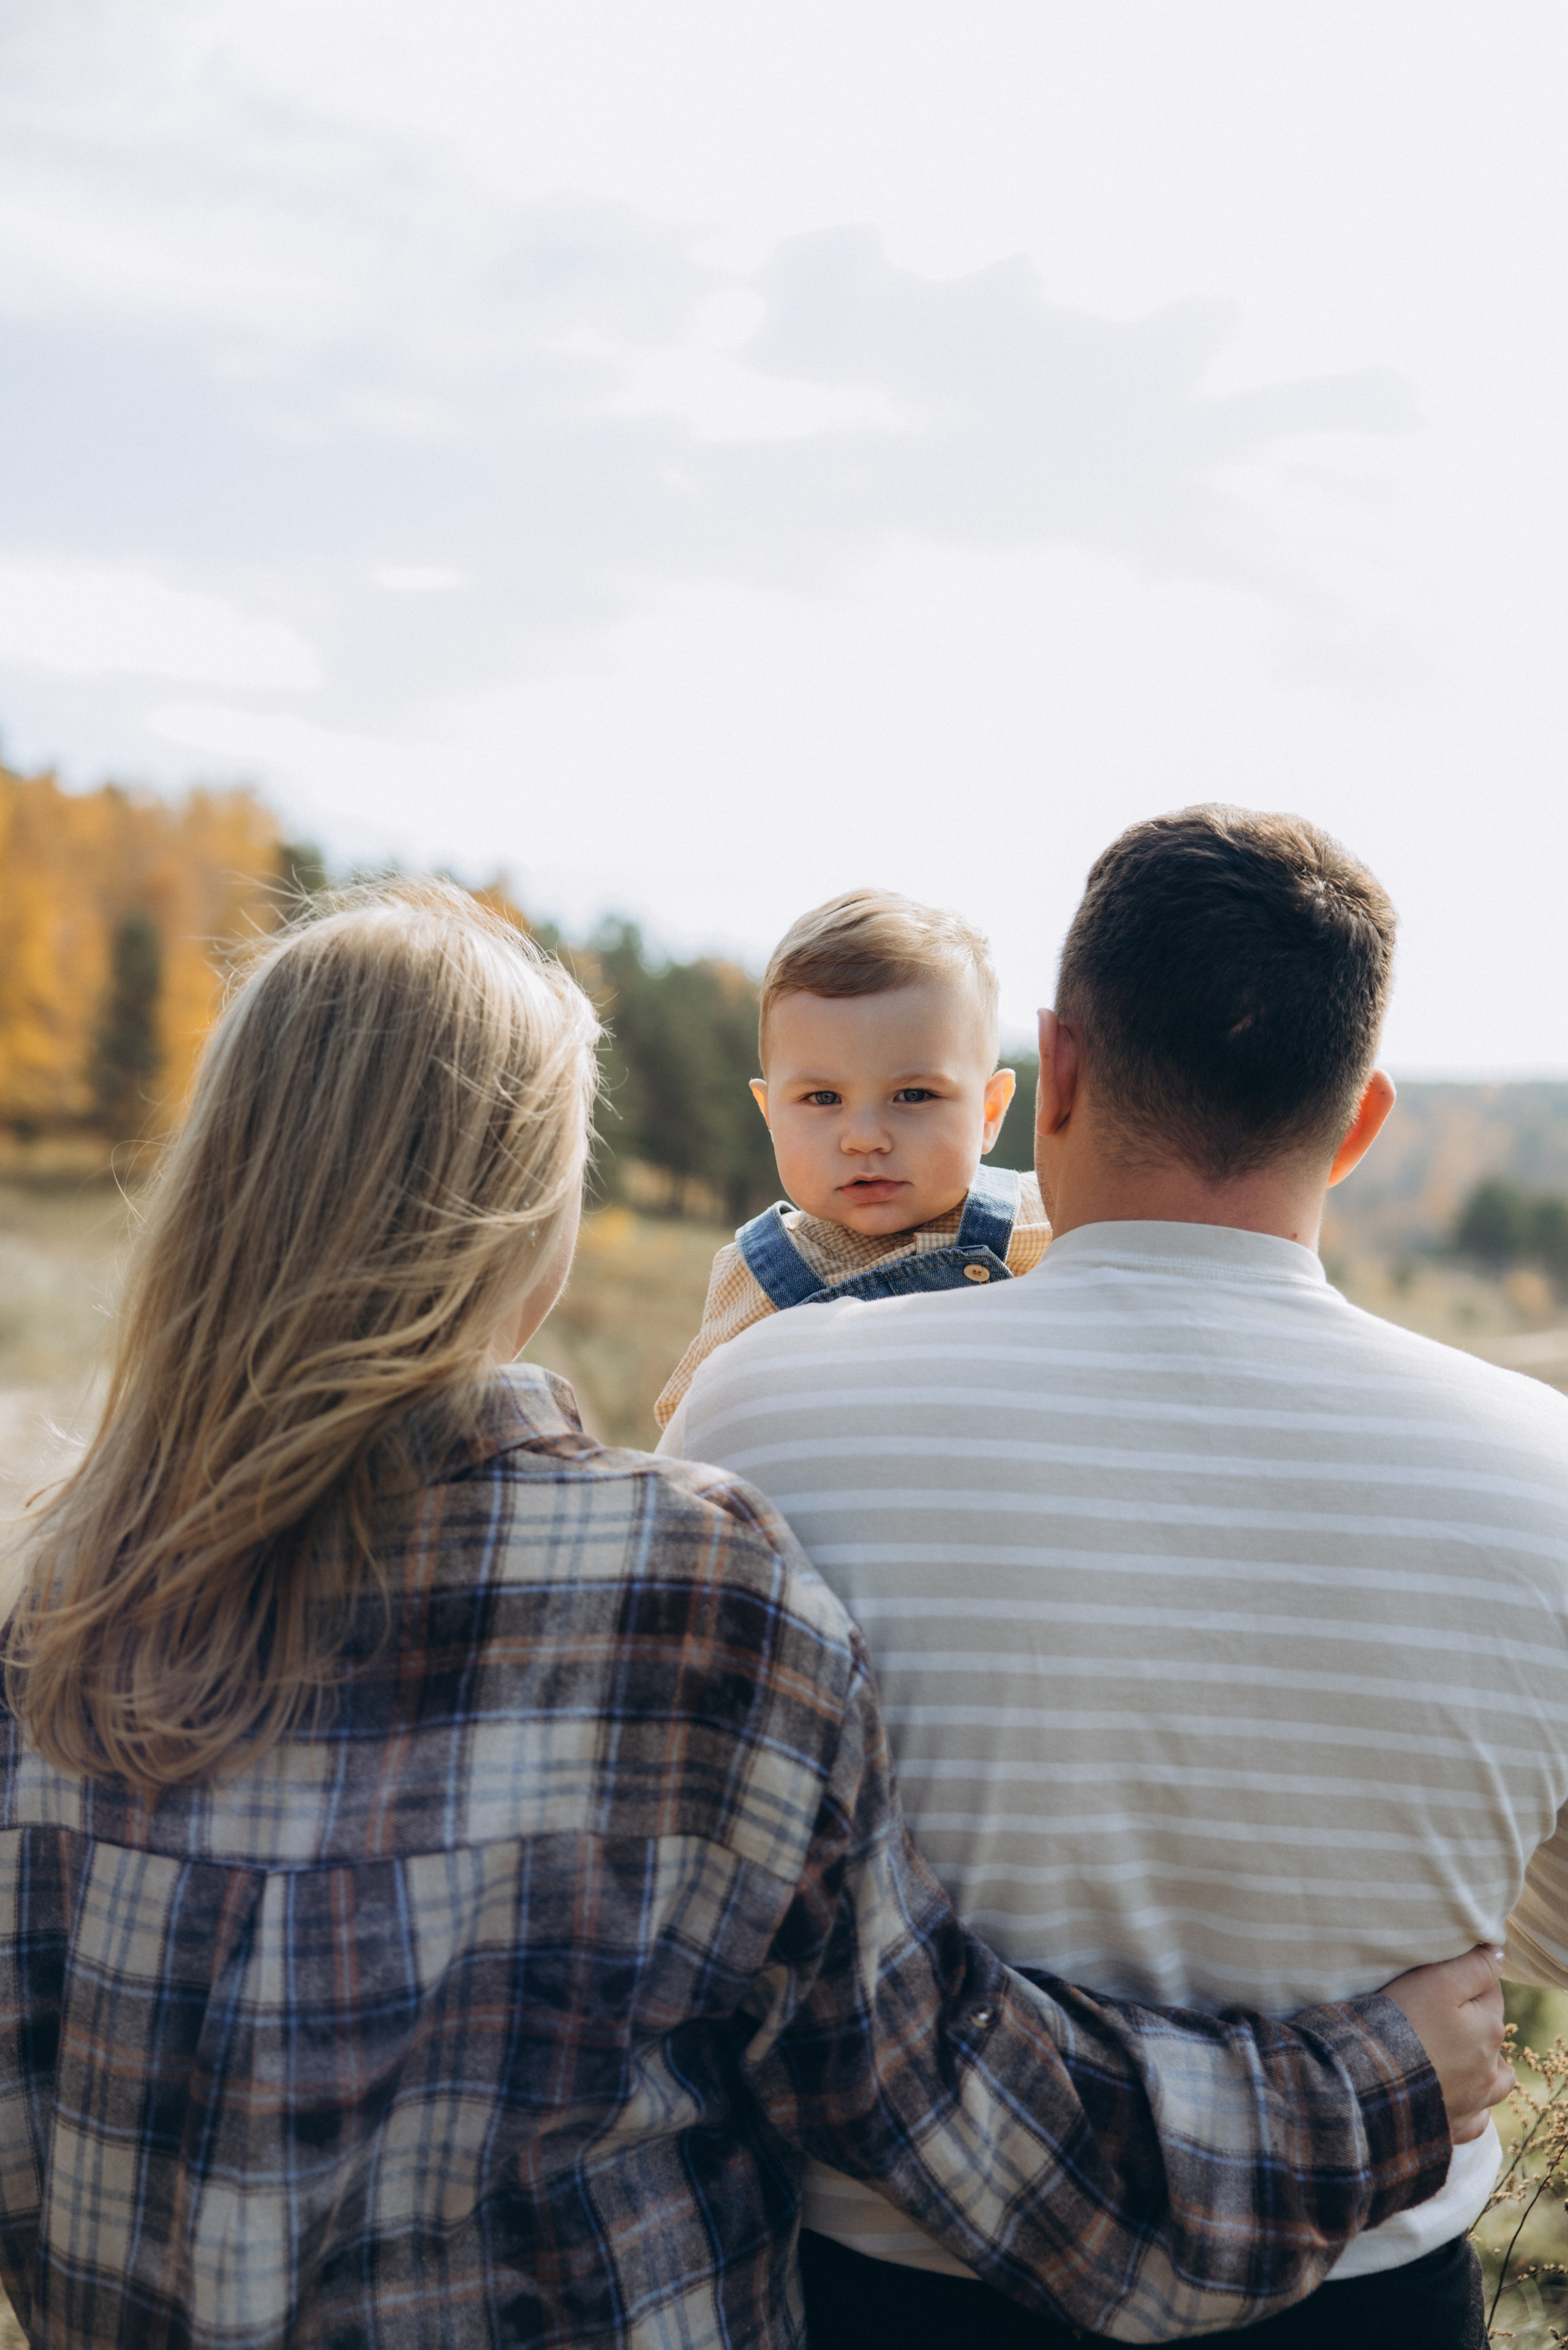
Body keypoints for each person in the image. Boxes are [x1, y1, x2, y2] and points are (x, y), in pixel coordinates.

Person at [0, 880, 1507, 2350]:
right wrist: (1371, 2085)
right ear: (533, 1210)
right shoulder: (677, 1590)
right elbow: (951, 2112)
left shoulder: (45, 1621)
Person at [660, 805, 1568, 2350]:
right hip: (1362, 2294)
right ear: (1357, 1122)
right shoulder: (1544, 1473)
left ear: (1052, 1073)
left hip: (890, 2288)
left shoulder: (762, 1404)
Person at [655, 891, 1050, 1429]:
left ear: (990, 1111)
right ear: (770, 1114)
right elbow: (694, 1429)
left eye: (914, 1095)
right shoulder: (756, 1275)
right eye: (823, 1099)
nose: (864, 1139)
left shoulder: (1044, 1218)